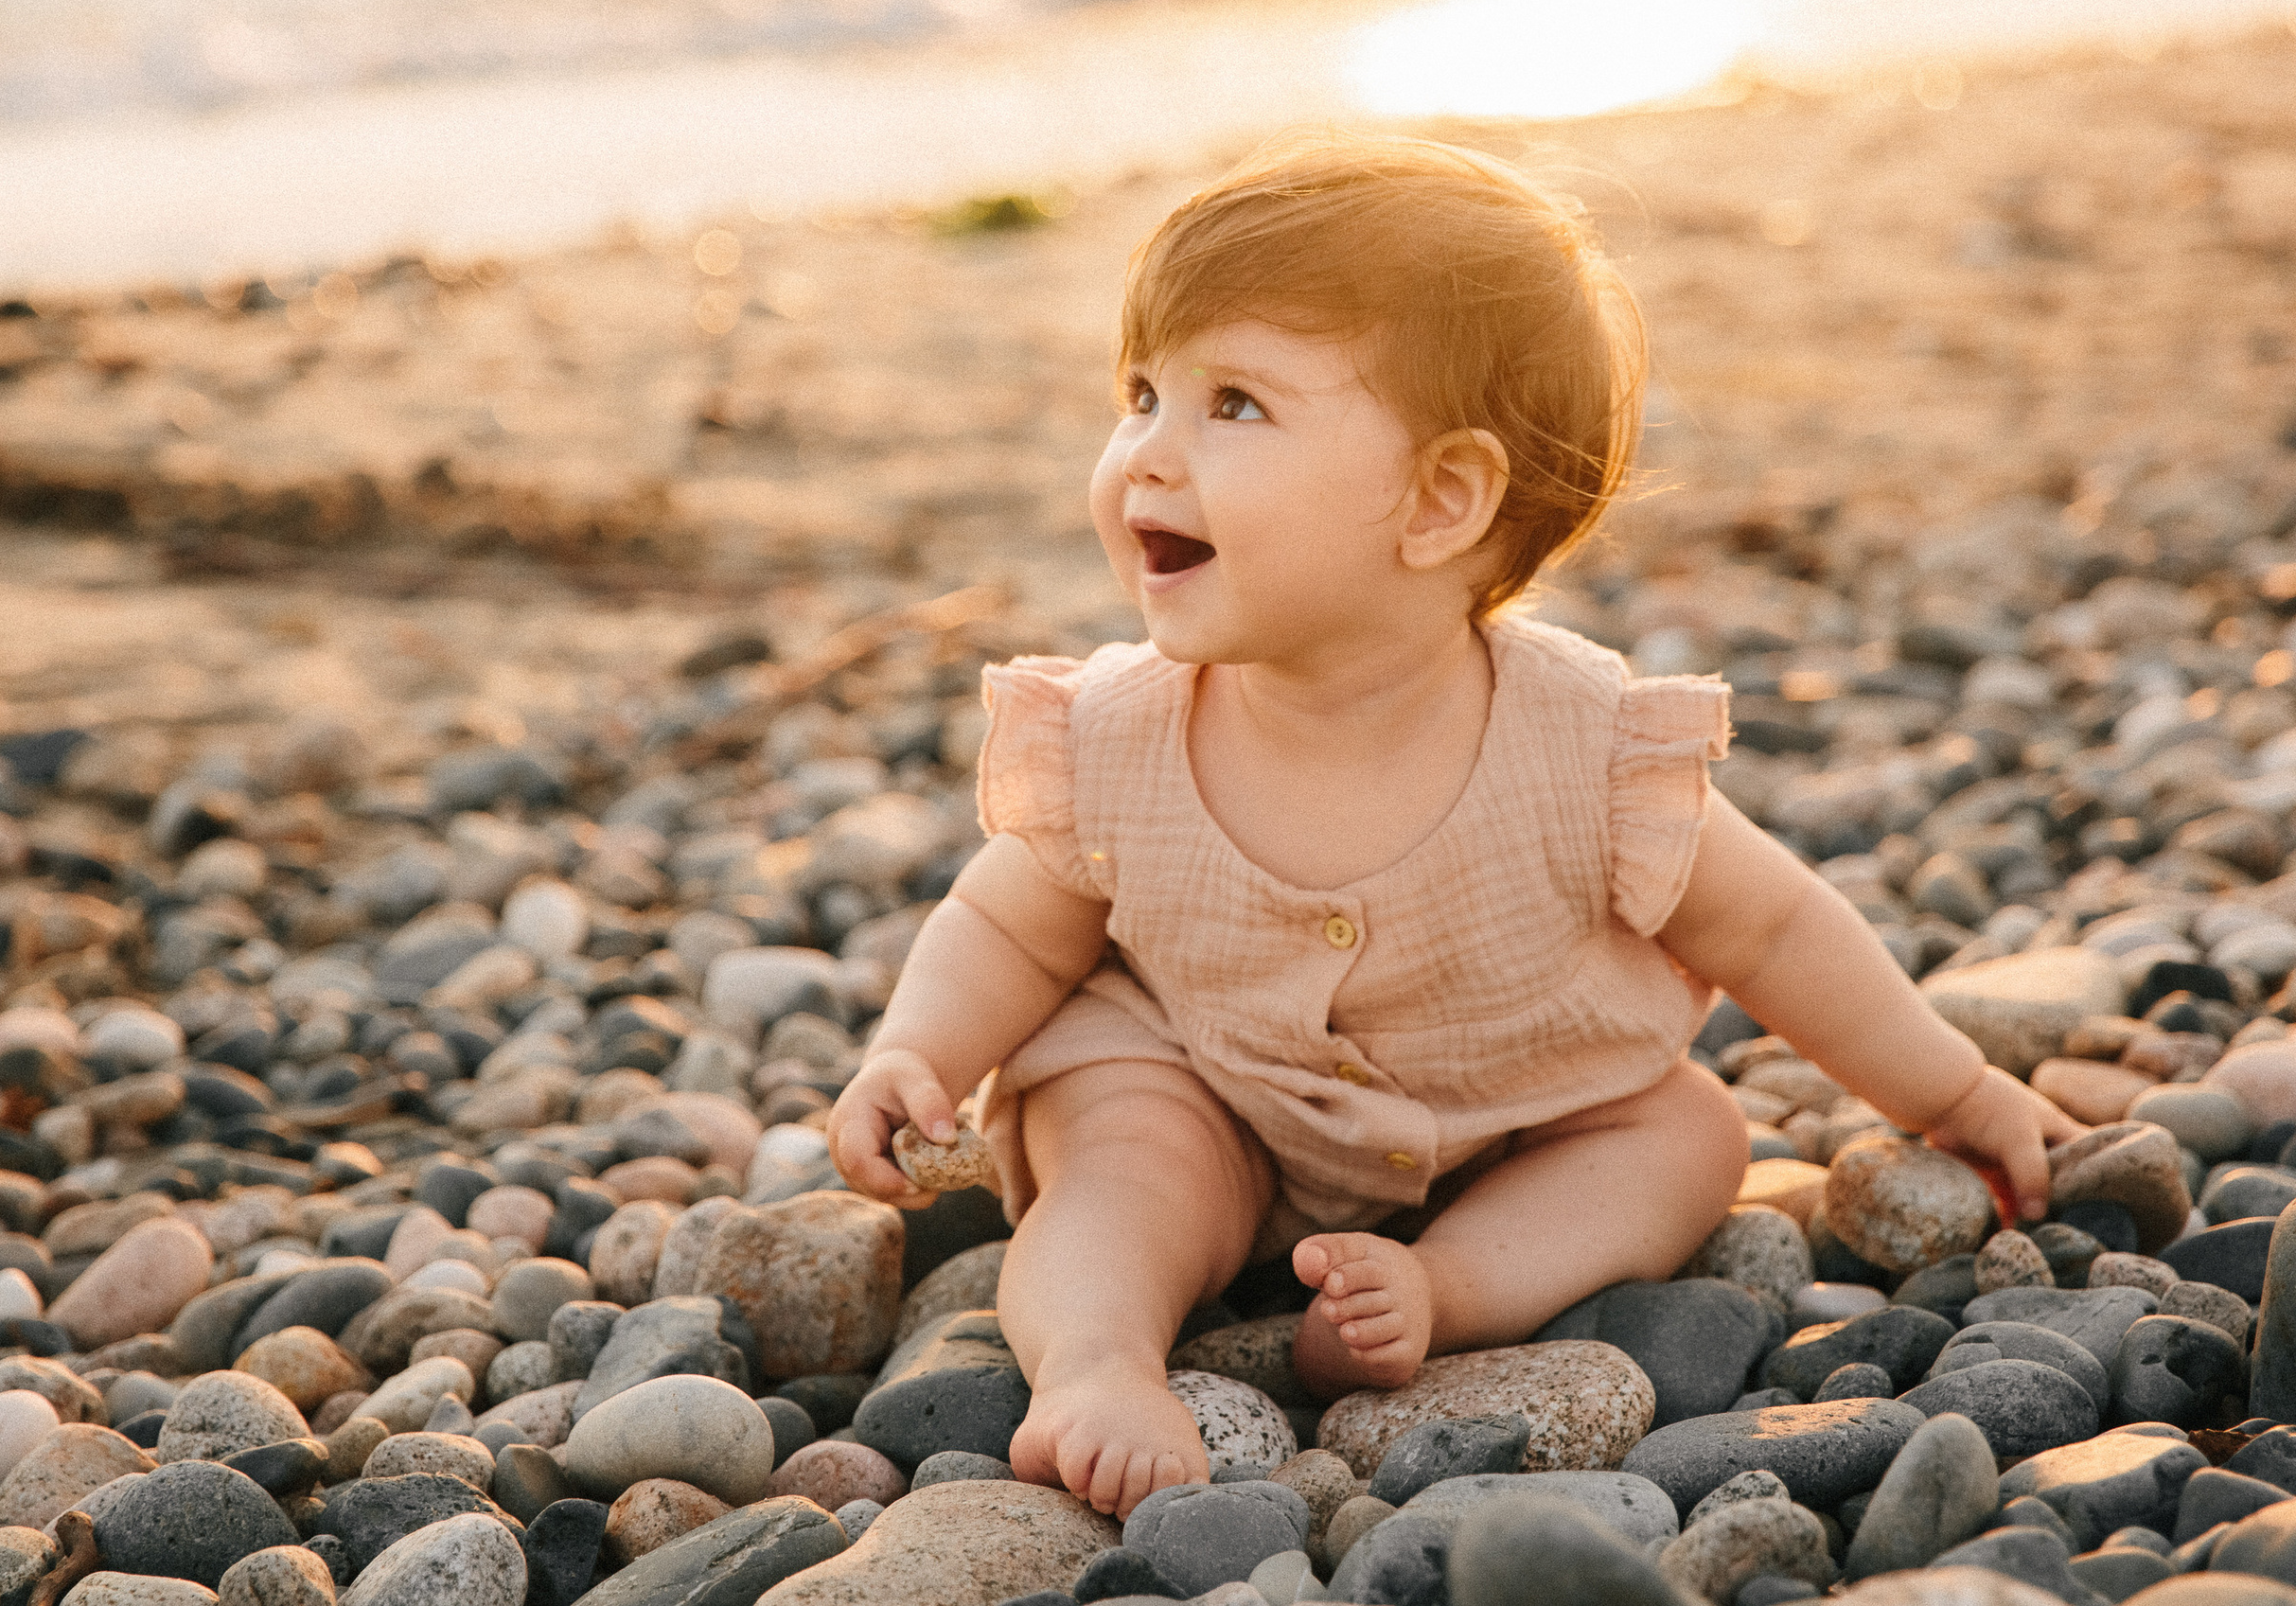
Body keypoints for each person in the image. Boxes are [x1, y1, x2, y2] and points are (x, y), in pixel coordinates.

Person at [826, 130, 2085, 1518]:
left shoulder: (1586, 743)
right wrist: (920, 1048)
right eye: (1141, 394)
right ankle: (1097, 1361)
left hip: (1512, 1110)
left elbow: (1776, 924)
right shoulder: (1122, 730)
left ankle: (1449, 1283)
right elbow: (1009, 918)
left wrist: (1954, 1093)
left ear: (1440, 500)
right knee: (1120, 1155)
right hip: (1201, 1078)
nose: (1145, 459)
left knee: (1687, 1137)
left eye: (1230, 403)